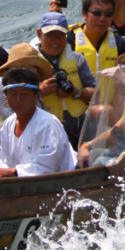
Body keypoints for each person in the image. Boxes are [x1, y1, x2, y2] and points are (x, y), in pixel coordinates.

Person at [0, 67, 77, 178]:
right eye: (13, 94)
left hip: (62, 182)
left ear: (35, 94)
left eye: (24, 94)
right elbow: (6, 162)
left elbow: (47, 167)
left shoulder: (48, 123)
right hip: (25, 183)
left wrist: (13, 172)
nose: (18, 100)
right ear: (6, 95)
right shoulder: (8, 125)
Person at [31, 12, 96, 148]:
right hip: (45, 127)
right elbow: (15, 100)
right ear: (39, 34)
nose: (56, 41)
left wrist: (75, 92)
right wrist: (40, 92)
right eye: (50, 35)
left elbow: (95, 92)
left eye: (61, 35)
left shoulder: (77, 58)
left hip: (78, 123)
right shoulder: (29, 63)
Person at [68, 0, 119, 74]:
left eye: (108, 14)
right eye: (97, 13)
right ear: (84, 14)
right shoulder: (68, 42)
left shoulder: (120, 44)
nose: (103, 19)